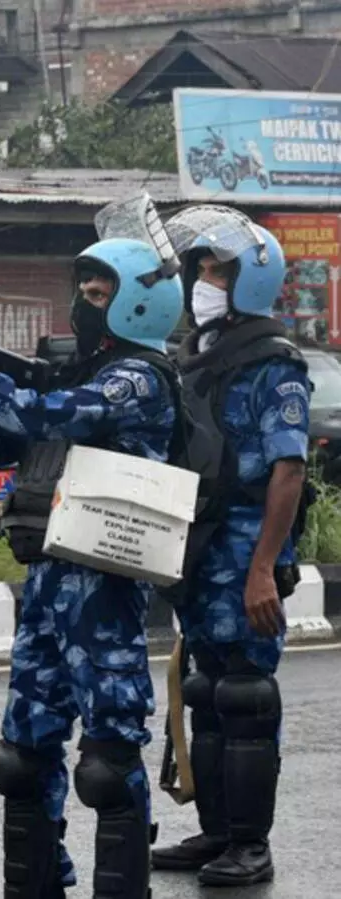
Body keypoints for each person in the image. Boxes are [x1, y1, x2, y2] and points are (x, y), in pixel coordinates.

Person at [0, 236, 184, 898]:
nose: (84, 303)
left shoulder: (136, 377)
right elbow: (4, 440)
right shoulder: (79, 370)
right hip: (50, 581)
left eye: (100, 292)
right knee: (20, 758)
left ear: (142, 304)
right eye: (81, 288)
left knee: (107, 763)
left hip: (104, 589)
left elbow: (44, 415)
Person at [151, 208, 309, 887]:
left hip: (247, 549)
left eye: (216, 270)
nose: (202, 280)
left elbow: (289, 470)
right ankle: (216, 831)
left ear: (250, 282)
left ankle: (251, 843)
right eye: (201, 268)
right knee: (205, 690)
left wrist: (264, 567)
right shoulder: (200, 356)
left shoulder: (275, 362)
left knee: (245, 694)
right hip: (201, 548)